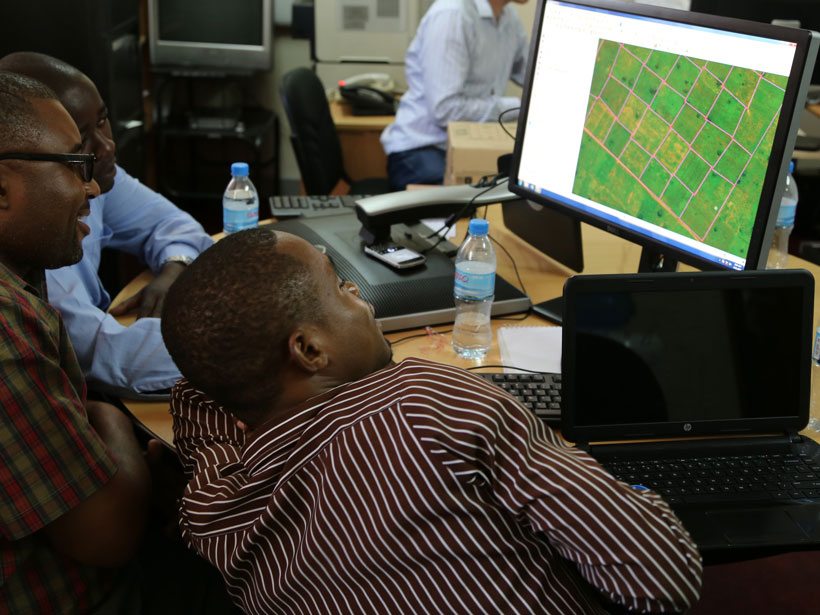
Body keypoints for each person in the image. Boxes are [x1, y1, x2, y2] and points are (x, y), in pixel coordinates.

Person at [160, 227, 703, 615]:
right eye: (340, 286)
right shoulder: (425, 400)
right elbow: (661, 577)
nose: (359, 296)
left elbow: (196, 402)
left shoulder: (213, 508)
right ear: (308, 349)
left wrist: (230, 368)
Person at [0, 70, 151, 614]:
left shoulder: (19, 277)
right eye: (74, 165)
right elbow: (109, 537)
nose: (91, 186)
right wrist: (108, 421)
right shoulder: (4, 328)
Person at [0, 51, 214, 400]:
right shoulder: (30, 238)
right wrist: (260, 338)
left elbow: (173, 223)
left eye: (103, 121)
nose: (107, 146)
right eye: (80, 144)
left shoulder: (93, 178)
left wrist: (176, 266)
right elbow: (105, 355)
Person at [380, 0, 529, 190]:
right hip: (424, 150)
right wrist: (519, 106)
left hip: (467, 145)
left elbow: (531, 73)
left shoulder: (508, 16)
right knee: (481, 207)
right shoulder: (452, 14)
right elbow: (446, 109)